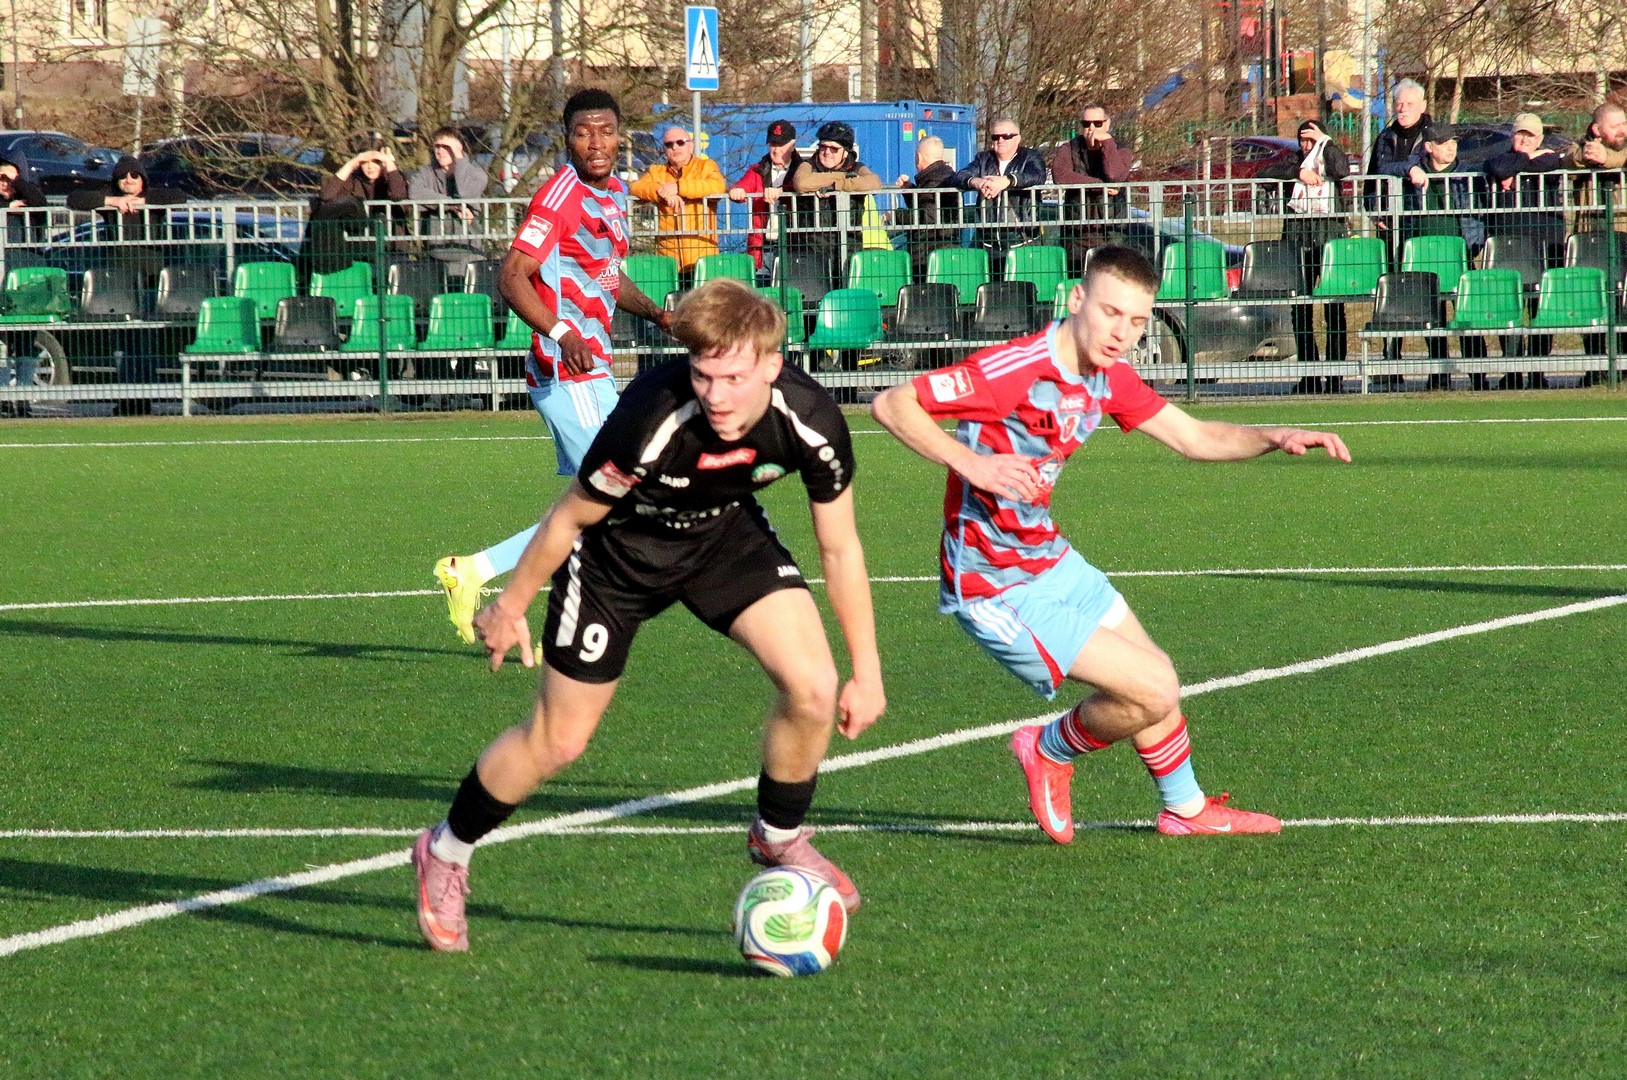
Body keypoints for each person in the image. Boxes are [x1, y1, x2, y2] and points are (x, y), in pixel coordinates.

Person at [411, 277, 887, 951]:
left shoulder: (811, 419)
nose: (716, 396)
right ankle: (445, 850)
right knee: (558, 741)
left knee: (813, 689)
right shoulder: (652, 414)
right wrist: (510, 605)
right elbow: (568, 517)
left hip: (722, 540)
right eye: (703, 375)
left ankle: (777, 837)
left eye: (732, 378)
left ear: (771, 366)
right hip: (615, 560)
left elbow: (840, 548)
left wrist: (867, 671)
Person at [870, 245, 1350, 847]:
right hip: (992, 583)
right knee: (1153, 687)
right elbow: (892, 403)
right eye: (1110, 312)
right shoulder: (1015, 368)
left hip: (1049, 558)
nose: (1121, 332)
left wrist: (1273, 434)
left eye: (1137, 320)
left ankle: (1186, 809)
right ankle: (1047, 748)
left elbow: (1193, 437)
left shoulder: (1107, 374)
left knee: (1155, 681)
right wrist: (973, 464)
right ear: (1077, 299)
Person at [434, 88, 671, 645]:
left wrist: (657, 314)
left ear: (620, 137)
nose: (596, 143)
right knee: (613, 499)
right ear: (567, 140)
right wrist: (563, 334)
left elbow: (606, 274)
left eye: (606, 131)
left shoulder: (614, 194)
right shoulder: (558, 197)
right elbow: (512, 275)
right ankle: (562, 620)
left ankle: (476, 572)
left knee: (597, 501)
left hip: (594, 370)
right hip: (568, 372)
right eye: (584, 133)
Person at [1261, 119, 1351, 391]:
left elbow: (1341, 169)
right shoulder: (1294, 159)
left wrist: (1326, 142)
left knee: (1334, 307)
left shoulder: (1330, 154)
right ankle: (1309, 375)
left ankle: (1335, 377)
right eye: (1303, 139)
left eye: (1312, 138)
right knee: (1300, 309)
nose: (1307, 144)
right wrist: (1297, 172)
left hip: (1329, 237)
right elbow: (1265, 174)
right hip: (1298, 238)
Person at [1401, 122, 1492, 389]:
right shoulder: (1415, 171)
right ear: (1429, 147)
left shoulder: (1467, 172)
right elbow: (1385, 167)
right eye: (1444, 143)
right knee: (1432, 318)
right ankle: (1438, 373)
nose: (1451, 148)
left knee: (1466, 315)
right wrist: (1411, 168)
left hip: (1460, 252)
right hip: (1425, 255)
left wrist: (1476, 242)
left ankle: (1478, 374)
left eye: (1454, 142)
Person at [1484, 112, 1566, 388]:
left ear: (1540, 138)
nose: (1525, 140)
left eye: (1531, 136)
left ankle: (1537, 371)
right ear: (1512, 135)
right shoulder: (1500, 157)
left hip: (1544, 243)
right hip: (1508, 243)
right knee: (1508, 306)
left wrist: (1516, 168)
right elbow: (1496, 167)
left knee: (1540, 307)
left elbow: (1551, 162)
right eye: (1520, 134)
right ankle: (1513, 370)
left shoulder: (1548, 157)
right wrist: (1522, 160)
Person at [299, 136, 407, 283]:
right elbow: (326, 195)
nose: (370, 167)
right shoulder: (352, 180)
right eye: (365, 162)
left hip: (390, 246)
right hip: (358, 245)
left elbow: (398, 194)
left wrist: (388, 162)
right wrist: (351, 164)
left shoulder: (391, 177)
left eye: (375, 161)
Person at [789, 121, 882, 284]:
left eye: (834, 149)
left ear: (846, 152)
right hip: (813, 251)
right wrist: (842, 176)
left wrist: (838, 186)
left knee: (848, 295)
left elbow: (874, 183)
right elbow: (801, 183)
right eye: (823, 147)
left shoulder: (857, 167)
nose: (827, 152)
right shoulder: (808, 165)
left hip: (849, 248)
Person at [629, 125, 727, 278]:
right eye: (669, 144)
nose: (675, 147)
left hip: (702, 260)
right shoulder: (657, 172)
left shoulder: (706, 167)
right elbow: (635, 188)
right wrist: (662, 193)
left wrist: (679, 187)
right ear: (664, 150)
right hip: (668, 261)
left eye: (680, 142)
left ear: (691, 145)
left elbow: (718, 187)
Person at [1049, 104, 1135, 274]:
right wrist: (1100, 186)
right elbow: (1060, 175)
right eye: (1086, 124)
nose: (1092, 128)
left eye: (1098, 123)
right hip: (1077, 231)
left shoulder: (1121, 148)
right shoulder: (1069, 148)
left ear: (1107, 123)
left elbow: (1114, 175)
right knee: (1077, 281)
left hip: (1112, 230)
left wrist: (1107, 144)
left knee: (1111, 281)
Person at [953, 119, 1046, 270]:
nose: (1000, 140)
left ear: (1018, 138)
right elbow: (960, 175)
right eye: (995, 137)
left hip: (1024, 243)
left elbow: (1037, 175)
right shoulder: (983, 159)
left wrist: (1008, 181)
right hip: (988, 246)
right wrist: (977, 182)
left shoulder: (1030, 157)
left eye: (1006, 136)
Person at [727, 119, 803, 279]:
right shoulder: (757, 170)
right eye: (773, 144)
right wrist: (736, 191)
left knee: (793, 286)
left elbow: (805, 186)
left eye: (781, 145)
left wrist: (782, 191)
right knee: (762, 288)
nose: (776, 150)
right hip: (763, 245)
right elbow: (741, 186)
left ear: (793, 145)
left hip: (795, 244)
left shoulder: (803, 170)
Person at [407, 126, 491, 272]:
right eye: (437, 146)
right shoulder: (426, 172)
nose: (440, 151)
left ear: (459, 148)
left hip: (469, 250)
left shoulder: (476, 174)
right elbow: (415, 192)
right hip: (436, 250)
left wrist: (460, 161)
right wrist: (453, 205)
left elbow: (465, 194)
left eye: (446, 147)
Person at [1365, 79, 1432, 237]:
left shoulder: (1433, 135)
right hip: (1389, 220)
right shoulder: (1385, 137)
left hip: (1424, 217)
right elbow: (1373, 175)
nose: (1403, 109)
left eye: (1410, 104)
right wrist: (1374, 211)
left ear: (1422, 106)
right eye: (1399, 103)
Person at [894, 135, 962, 280]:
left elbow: (927, 218)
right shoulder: (945, 176)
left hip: (927, 251)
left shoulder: (932, 182)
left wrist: (895, 215)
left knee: (925, 291)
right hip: (945, 247)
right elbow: (925, 206)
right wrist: (909, 189)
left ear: (918, 157)